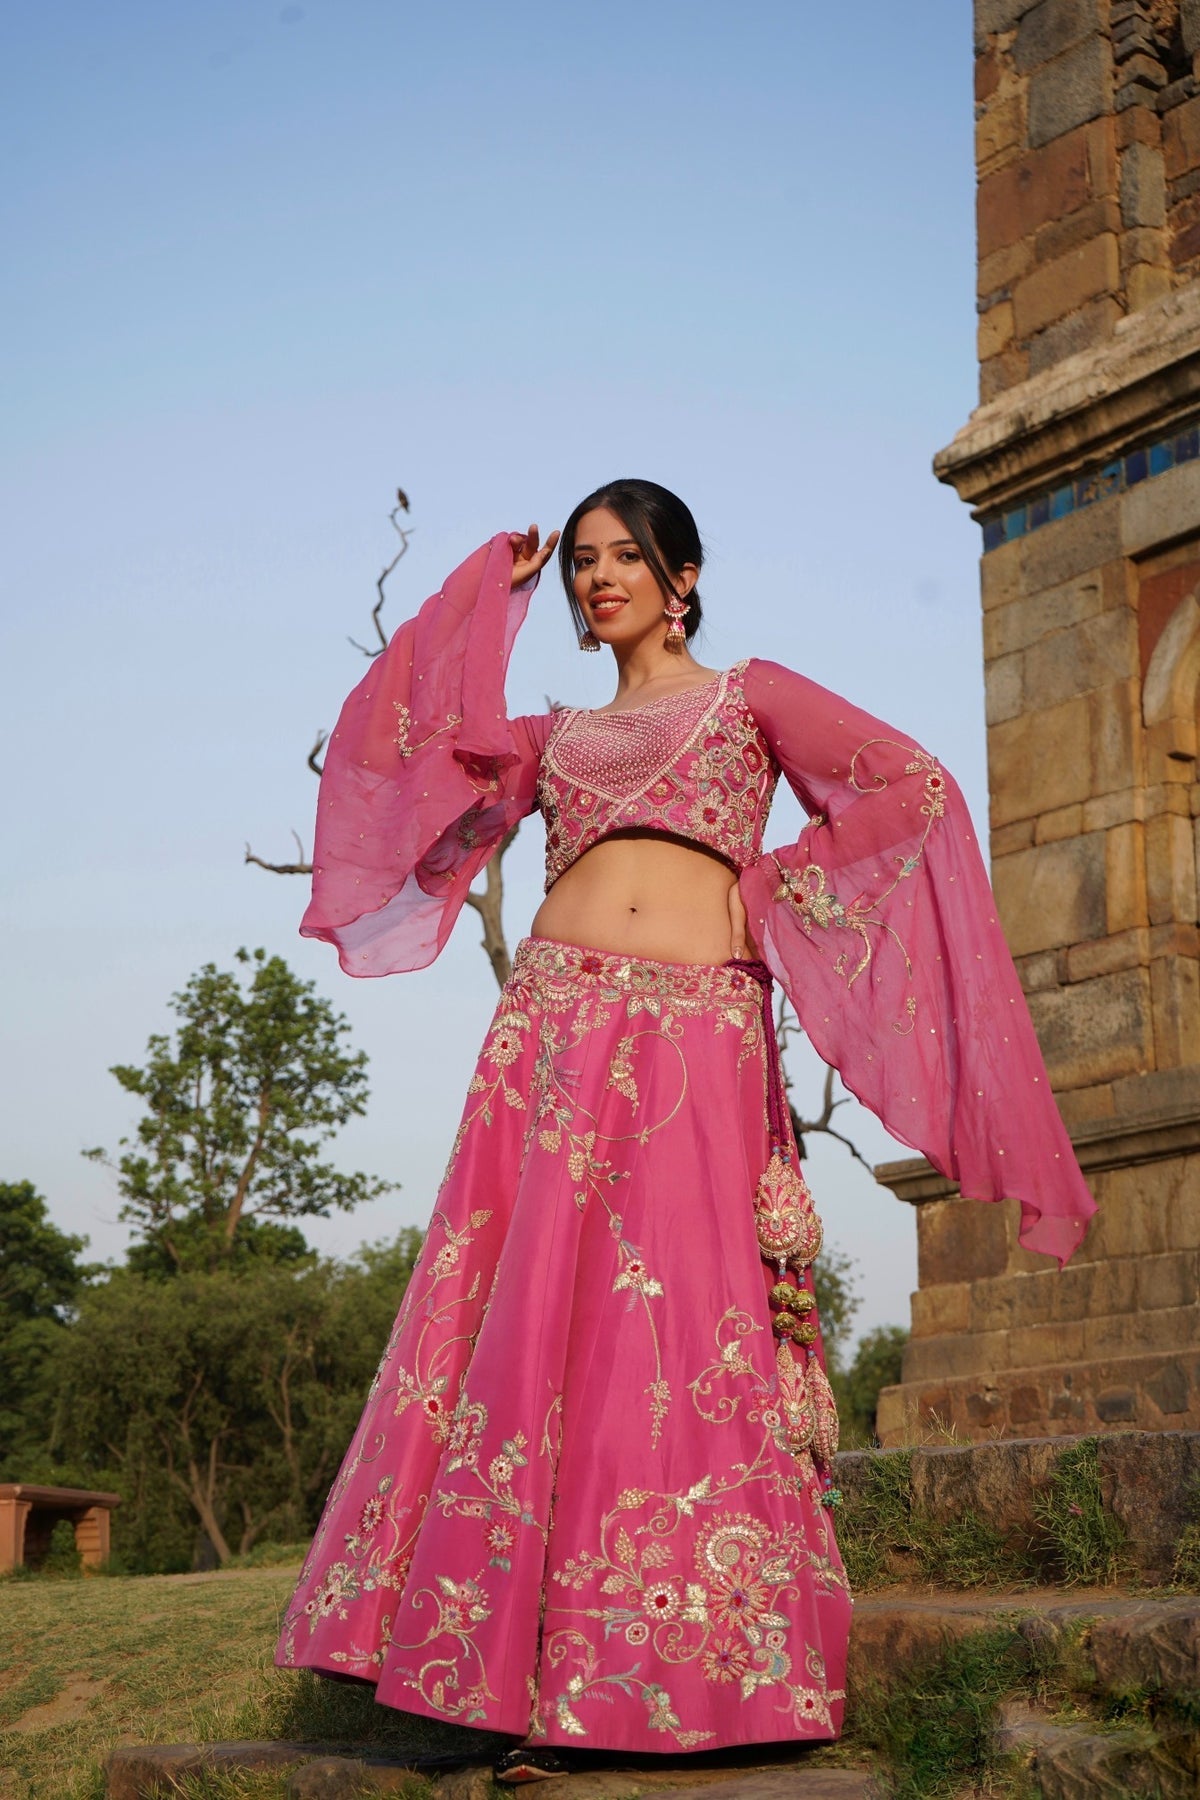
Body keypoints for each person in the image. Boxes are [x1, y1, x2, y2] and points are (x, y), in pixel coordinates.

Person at [275, 480, 1095, 1778]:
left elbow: (913, 789)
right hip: (550, 1035)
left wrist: (772, 890)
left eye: (626, 558)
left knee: (673, 1334)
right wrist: (496, 582)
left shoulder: (749, 697)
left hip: (697, 1034)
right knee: (534, 1330)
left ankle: (666, 1676)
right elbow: (401, 741)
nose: (601, 579)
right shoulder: (546, 736)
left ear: (685, 575)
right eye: (585, 565)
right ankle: (501, 1673)